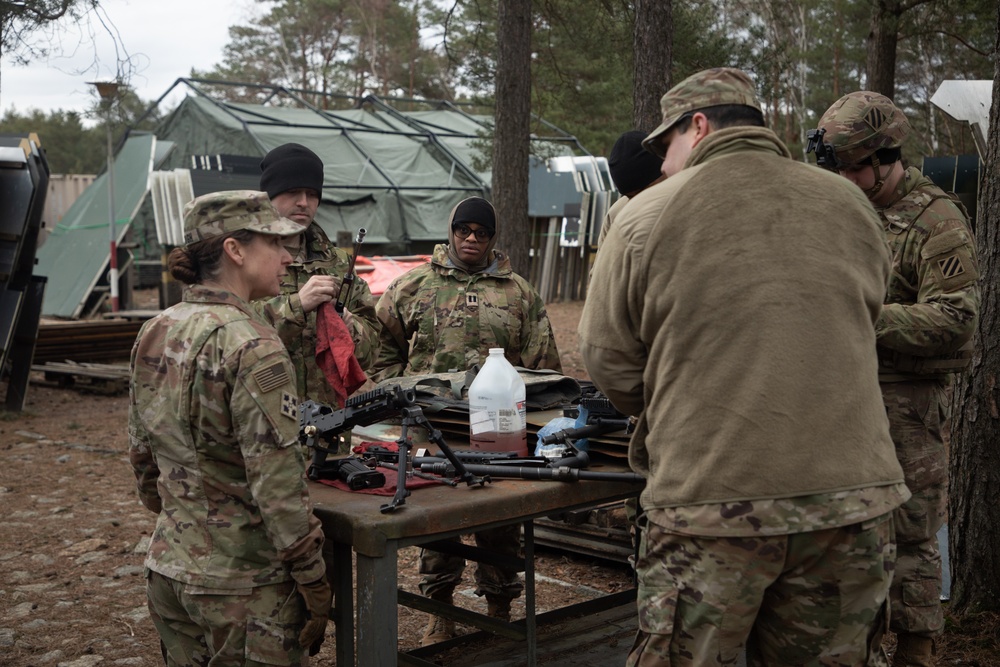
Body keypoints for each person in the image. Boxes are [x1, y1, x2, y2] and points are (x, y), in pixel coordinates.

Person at [579, 67, 910, 666]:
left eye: (666, 144)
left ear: (698, 125)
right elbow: (866, 316)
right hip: (852, 507)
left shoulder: (646, 215)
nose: (664, 161)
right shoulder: (849, 203)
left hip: (711, 507)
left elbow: (610, 362)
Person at [813, 91, 980, 667]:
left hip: (905, 401)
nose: (848, 179)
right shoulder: (842, 207)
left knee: (910, 532)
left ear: (887, 157)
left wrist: (861, 314)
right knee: (847, 531)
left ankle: (915, 649)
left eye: (856, 168)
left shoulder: (937, 218)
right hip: (842, 397)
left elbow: (958, 319)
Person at [128, 190, 331, 666]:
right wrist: (313, 578)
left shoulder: (157, 328)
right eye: (273, 244)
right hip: (245, 588)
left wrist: (185, 522)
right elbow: (277, 480)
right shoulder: (252, 343)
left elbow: (142, 456)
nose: (287, 257)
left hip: (171, 572)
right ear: (234, 251)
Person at [371, 196, 562, 645]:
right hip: (435, 428)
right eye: (463, 230)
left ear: (493, 238)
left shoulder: (518, 292)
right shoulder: (413, 286)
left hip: (499, 428)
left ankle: (500, 604)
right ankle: (441, 611)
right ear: (451, 232)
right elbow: (381, 353)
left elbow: (543, 366)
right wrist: (404, 398)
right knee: (440, 518)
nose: (471, 238)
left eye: (481, 232)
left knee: (500, 519)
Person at [254, 142, 381, 415]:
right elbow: (234, 333)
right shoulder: (247, 259)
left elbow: (371, 354)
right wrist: (297, 304)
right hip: (265, 422)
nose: (303, 202)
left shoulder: (338, 264)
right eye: (292, 192)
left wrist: (347, 323)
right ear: (268, 197)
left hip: (328, 425)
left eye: (312, 194)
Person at [597, 129, 665, 248]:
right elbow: (602, 266)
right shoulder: (615, 216)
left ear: (664, 173)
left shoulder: (688, 199)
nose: (637, 203)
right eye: (631, 197)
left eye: (645, 193)